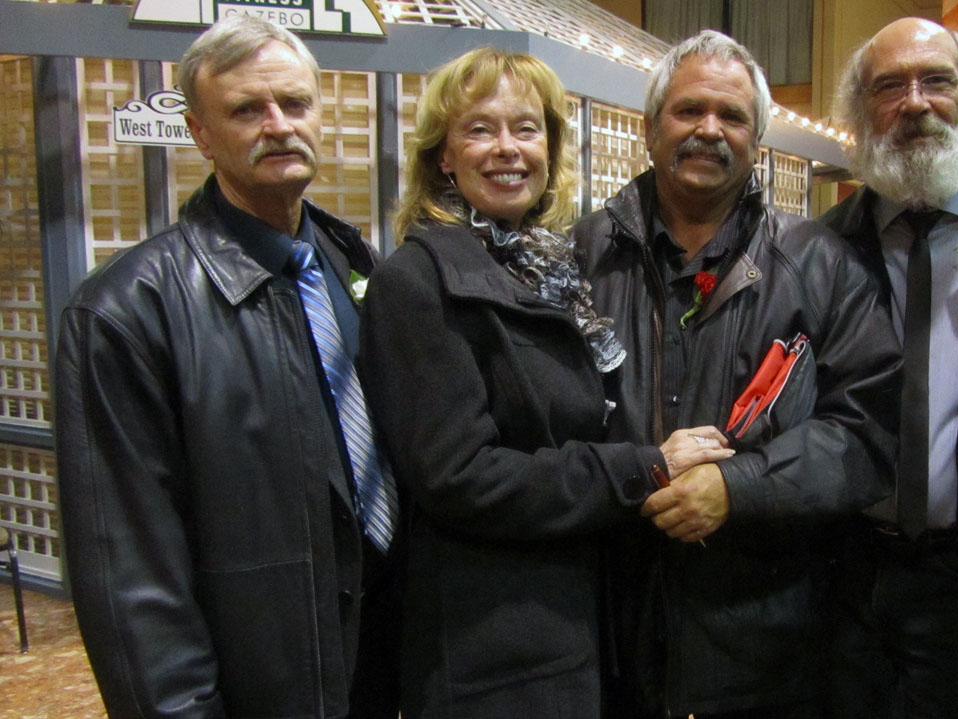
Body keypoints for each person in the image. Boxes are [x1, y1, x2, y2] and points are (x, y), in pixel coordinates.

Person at [358, 47, 734, 719]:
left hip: (572, 631)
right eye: (480, 128)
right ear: (442, 154)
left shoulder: (551, 268)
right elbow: (462, 477)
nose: (508, 148)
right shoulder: (417, 282)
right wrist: (642, 468)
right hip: (492, 656)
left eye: (527, 128)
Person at [55, 14, 399, 719]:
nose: (278, 125)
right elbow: (131, 581)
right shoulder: (126, 310)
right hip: (260, 687)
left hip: (379, 662)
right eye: (247, 109)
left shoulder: (350, 262)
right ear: (200, 133)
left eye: (295, 103)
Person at [573, 30, 899, 719]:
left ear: (759, 140)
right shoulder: (578, 257)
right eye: (689, 110)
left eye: (733, 116)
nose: (708, 130)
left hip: (767, 649)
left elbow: (869, 433)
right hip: (607, 632)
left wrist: (737, 487)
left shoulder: (824, 264)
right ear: (649, 126)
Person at [817, 17, 958, 717]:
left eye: (937, 81)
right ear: (861, 114)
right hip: (849, 570)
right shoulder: (822, 247)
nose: (916, 102)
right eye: (889, 86)